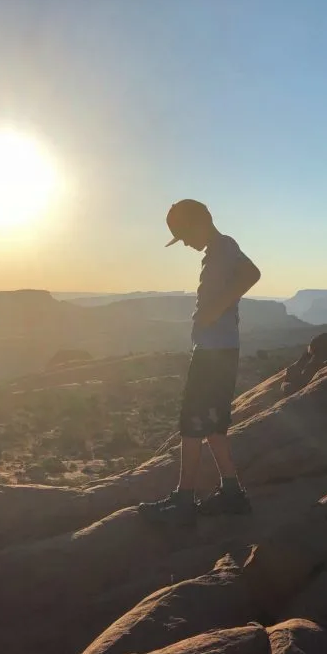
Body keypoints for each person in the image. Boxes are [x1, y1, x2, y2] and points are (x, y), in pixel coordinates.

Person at [138, 199, 260, 523]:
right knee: (212, 426)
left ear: (200, 222)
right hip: (218, 349)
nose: (186, 243)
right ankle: (233, 493)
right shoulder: (219, 250)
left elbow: (252, 273)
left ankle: (183, 501)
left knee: (191, 426)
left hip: (213, 353)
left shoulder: (223, 246)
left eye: (184, 235)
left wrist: (215, 309)